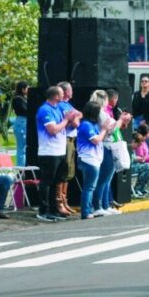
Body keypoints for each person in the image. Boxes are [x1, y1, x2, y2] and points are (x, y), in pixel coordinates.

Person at [34, 86, 80, 222]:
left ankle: (54, 210)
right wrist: (66, 119)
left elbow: (65, 125)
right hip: (49, 151)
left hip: (60, 150)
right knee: (47, 182)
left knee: (57, 182)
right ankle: (43, 210)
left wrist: (69, 120)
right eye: (61, 93)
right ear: (55, 96)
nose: (64, 95)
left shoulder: (57, 109)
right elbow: (52, 130)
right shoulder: (45, 109)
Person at [76, 100, 109, 219]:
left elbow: (100, 138)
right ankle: (85, 211)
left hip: (94, 159)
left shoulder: (93, 125)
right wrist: (104, 129)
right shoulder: (86, 125)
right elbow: (95, 140)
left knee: (91, 187)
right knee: (89, 187)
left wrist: (105, 130)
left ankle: (88, 209)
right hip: (88, 159)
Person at [55, 81, 80, 216]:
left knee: (69, 172)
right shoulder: (62, 105)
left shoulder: (68, 105)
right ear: (65, 92)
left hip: (71, 139)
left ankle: (65, 201)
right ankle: (59, 201)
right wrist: (76, 117)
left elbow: (80, 115)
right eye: (71, 89)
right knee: (64, 171)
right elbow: (76, 123)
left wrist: (76, 116)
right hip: (66, 139)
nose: (73, 91)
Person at [11, 80, 29, 167]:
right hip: (21, 122)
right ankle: (20, 168)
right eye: (27, 88)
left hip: (24, 122)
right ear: (23, 89)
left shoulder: (24, 98)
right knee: (21, 148)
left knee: (24, 147)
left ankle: (24, 166)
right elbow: (24, 110)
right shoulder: (18, 99)